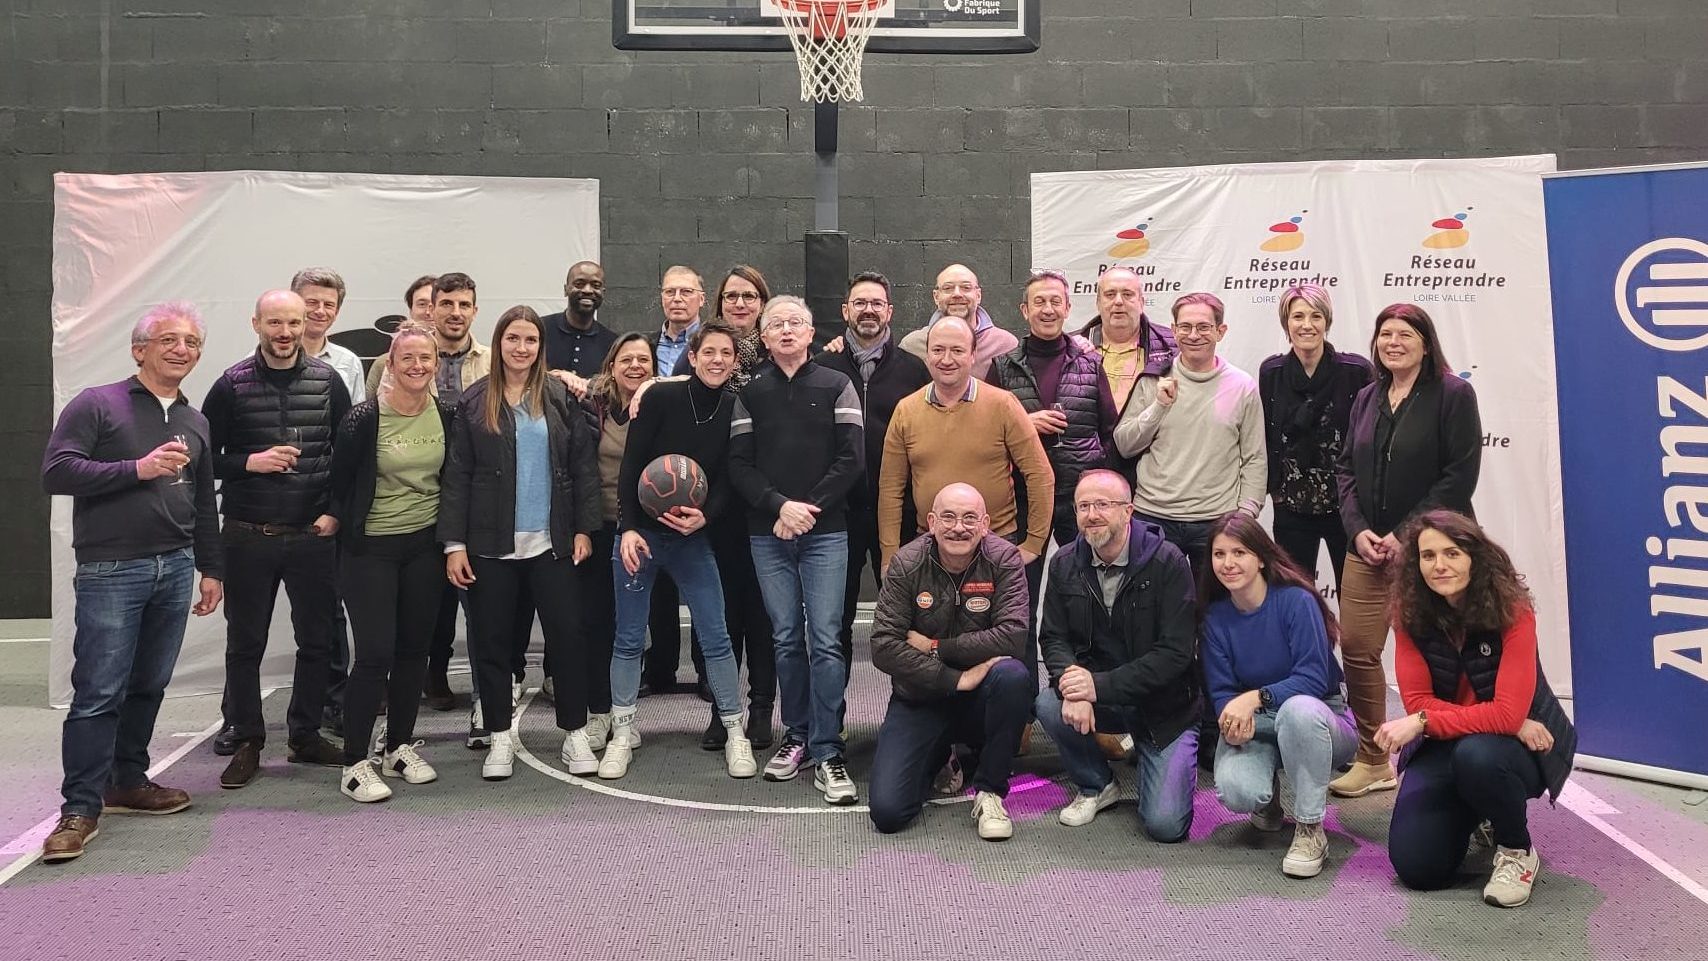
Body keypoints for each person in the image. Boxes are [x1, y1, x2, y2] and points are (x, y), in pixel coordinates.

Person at [38, 302, 224, 863]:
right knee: (98, 691)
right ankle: (79, 808)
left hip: (175, 567)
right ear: (139, 349)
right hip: (112, 569)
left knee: (148, 684)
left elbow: (203, 502)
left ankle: (127, 781)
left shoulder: (195, 420)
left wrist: (211, 568)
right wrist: (136, 469)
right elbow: (56, 471)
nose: (182, 350)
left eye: (191, 342)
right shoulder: (98, 403)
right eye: (169, 340)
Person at [1381, 511, 1576, 908]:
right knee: (1419, 869)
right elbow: (1420, 702)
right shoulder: (1409, 615)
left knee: (1477, 757)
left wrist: (1425, 721)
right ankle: (1478, 809)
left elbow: (1430, 714)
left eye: (1452, 553)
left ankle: (1517, 850)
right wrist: (1509, 721)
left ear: (1475, 557)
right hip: (1448, 743)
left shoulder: (1513, 611)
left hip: (1510, 750)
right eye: (1428, 556)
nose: (1440, 565)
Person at [439, 306, 601, 780]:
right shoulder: (474, 401)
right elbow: (457, 476)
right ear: (499, 343)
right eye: (513, 338)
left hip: (553, 545)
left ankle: (574, 733)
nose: (521, 348)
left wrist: (584, 529)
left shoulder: (559, 397)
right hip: (490, 548)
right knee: (491, 644)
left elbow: (582, 467)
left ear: (540, 346)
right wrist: (454, 544)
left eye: (530, 340)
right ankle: (499, 736)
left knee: (568, 640)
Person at [1330, 304, 1481, 799]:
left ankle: (1453, 758)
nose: (1393, 342)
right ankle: (1373, 759)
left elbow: (1458, 476)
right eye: (1385, 334)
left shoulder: (1453, 395)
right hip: (1366, 550)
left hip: (1432, 553)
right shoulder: (1367, 396)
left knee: (1446, 657)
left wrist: (1405, 535)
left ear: (1426, 343)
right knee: (1357, 650)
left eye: (1405, 334)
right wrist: (1357, 531)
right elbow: (1346, 470)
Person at [203, 289, 351, 788]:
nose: (285, 333)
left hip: (313, 536)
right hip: (249, 535)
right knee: (246, 643)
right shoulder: (230, 385)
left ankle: (305, 734)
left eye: (292, 322)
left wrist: (335, 513)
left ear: (304, 323)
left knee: (317, 641)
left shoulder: (329, 381)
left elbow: (349, 457)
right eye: (274, 323)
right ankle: (246, 737)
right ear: (256, 324)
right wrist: (250, 461)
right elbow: (204, 460)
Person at [604, 323, 758, 781]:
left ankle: (734, 732)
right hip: (642, 538)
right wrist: (629, 529)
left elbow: (730, 477)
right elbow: (632, 464)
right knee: (629, 637)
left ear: (734, 361)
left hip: (692, 539)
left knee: (716, 637)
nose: (717, 360)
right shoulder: (658, 398)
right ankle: (621, 733)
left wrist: (704, 516)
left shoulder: (733, 408)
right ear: (692, 357)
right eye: (708, 352)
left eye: (725, 353)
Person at [728, 296, 864, 804]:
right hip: (768, 534)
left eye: (796, 323)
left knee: (825, 640)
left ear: (810, 333)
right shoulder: (751, 393)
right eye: (776, 324)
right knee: (786, 638)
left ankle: (829, 749)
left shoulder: (837, 383)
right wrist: (779, 507)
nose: (786, 330)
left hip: (826, 533)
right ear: (763, 337)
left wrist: (808, 509)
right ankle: (798, 735)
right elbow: (738, 465)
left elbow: (852, 459)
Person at [327, 324, 457, 802]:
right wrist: (331, 523)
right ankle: (354, 763)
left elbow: (451, 480)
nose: (417, 366)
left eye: (425, 358)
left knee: (413, 652)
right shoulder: (364, 419)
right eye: (408, 358)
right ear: (391, 363)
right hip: (370, 550)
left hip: (424, 548)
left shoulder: (446, 415)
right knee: (375, 654)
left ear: (436, 364)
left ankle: (397, 746)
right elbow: (340, 484)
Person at [1034, 470, 1199, 842]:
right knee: (1049, 703)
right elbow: (1054, 638)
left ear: (1128, 511)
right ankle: (1097, 783)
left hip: (1163, 708)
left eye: (1103, 505)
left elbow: (1175, 654)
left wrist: (1095, 686)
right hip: (1100, 697)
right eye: (1083, 506)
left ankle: (1151, 755)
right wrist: (1073, 686)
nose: (1092, 514)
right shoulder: (1064, 563)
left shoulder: (1168, 562)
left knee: (1165, 826)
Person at [868, 484, 1032, 841]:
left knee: (1013, 676)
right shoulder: (907, 563)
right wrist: (953, 679)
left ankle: (990, 791)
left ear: (985, 524)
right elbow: (883, 646)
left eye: (970, 518)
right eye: (948, 517)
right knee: (888, 812)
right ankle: (941, 753)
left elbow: (1013, 637)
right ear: (931, 522)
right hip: (921, 696)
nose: (959, 527)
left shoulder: (1004, 559)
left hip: (981, 698)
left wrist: (936, 647)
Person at [1198, 512, 1356, 878]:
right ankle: (1266, 800)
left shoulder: (1296, 601)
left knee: (1298, 712)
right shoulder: (1215, 618)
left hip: (1320, 718)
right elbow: (1221, 692)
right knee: (1238, 791)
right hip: (1258, 720)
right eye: (1219, 554)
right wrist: (1232, 720)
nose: (1228, 563)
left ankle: (1310, 828)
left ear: (1260, 558)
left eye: (1239, 552)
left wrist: (1255, 697)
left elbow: (1313, 679)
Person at [671, 265, 777, 750]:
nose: (740, 303)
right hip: (714, 508)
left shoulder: (777, 355)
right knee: (720, 617)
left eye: (749, 296)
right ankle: (722, 710)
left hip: (764, 505)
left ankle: (761, 710)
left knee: (762, 617)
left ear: (762, 303)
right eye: (731, 296)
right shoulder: (698, 356)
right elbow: (675, 395)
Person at [815, 271, 929, 699]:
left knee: (906, 621)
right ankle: (832, 719)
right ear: (846, 310)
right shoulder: (821, 368)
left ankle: (912, 714)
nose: (868, 310)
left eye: (876, 303)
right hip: (837, 516)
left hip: (898, 516)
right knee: (834, 624)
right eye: (860, 303)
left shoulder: (914, 371)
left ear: (889, 311)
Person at [878, 316, 1052, 576]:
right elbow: (890, 487)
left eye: (957, 350)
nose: (946, 359)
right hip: (930, 545)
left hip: (996, 544)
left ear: (973, 355)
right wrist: (889, 554)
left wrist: (1034, 544)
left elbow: (1040, 474)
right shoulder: (906, 410)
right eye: (938, 350)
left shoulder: (1003, 405)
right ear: (927, 355)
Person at [1112, 291, 1265, 568]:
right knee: (1152, 597)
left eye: (1204, 327)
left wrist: (1245, 514)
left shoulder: (1242, 386)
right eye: (1185, 327)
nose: (1194, 335)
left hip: (1216, 521)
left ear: (1220, 331)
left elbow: (1255, 457)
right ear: (1174, 331)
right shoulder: (1153, 379)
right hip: (1153, 517)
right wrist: (1158, 406)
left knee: (1211, 598)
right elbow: (1124, 445)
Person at [986, 269, 1119, 549]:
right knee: (1024, 573)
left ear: (1067, 308)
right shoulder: (1002, 367)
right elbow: (986, 434)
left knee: (1086, 572)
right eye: (1039, 302)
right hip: (1026, 496)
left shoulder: (1091, 364)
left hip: (1081, 498)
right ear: (1025, 310)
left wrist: (1099, 484)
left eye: (1056, 302)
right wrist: (1024, 424)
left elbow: (1109, 432)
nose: (1048, 310)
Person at [573, 332, 657, 757]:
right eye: (627, 359)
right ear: (611, 365)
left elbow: (692, 380)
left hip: (640, 530)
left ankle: (626, 714)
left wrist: (654, 387)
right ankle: (599, 712)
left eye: (644, 360)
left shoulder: (661, 402)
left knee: (631, 628)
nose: (635, 366)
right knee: (596, 623)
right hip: (599, 526)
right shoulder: (592, 403)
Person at [1257, 283, 1373, 586]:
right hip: (1291, 508)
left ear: (1327, 321)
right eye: (1298, 316)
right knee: (1296, 596)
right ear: (1286, 323)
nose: (1306, 325)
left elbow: (1370, 437)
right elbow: (1266, 435)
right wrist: (1275, 491)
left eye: (1316, 316)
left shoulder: (1356, 371)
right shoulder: (1272, 372)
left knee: (1355, 597)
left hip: (1347, 508)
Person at [291, 266, 364, 740]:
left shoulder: (347, 363)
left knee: (331, 610)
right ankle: (239, 716)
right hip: (271, 507)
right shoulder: (250, 366)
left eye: (328, 304)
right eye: (310, 302)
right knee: (250, 624)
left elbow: (352, 434)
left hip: (326, 503)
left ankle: (334, 702)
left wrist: (338, 505)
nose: (319, 311)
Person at [1076, 267, 1176, 482]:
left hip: (1153, 474)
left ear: (1142, 302)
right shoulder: (1071, 349)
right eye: (1110, 294)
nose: (1118, 302)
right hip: (1091, 473)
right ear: (1098, 302)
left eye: (1128, 294)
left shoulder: (1173, 347)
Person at [897, 263, 1018, 380]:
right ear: (936, 297)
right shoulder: (912, 346)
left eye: (966, 288)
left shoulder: (1005, 346)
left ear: (978, 295)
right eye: (948, 288)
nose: (957, 294)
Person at [543, 260, 616, 384]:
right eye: (579, 284)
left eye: (596, 285)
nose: (588, 290)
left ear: (603, 293)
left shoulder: (612, 343)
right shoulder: (540, 329)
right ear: (566, 289)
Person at [650, 265, 705, 377]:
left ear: (701, 299)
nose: (677, 298)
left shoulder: (712, 343)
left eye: (686, 292)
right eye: (670, 292)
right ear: (662, 299)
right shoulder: (647, 345)